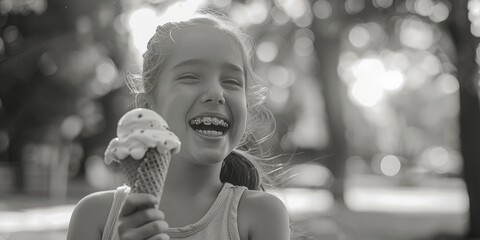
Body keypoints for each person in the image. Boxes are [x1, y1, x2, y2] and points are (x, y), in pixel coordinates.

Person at [66, 10, 290, 240]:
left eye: (232, 81)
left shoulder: (260, 215)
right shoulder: (95, 216)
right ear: (148, 107)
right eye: (191, 76)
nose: (216, 93)